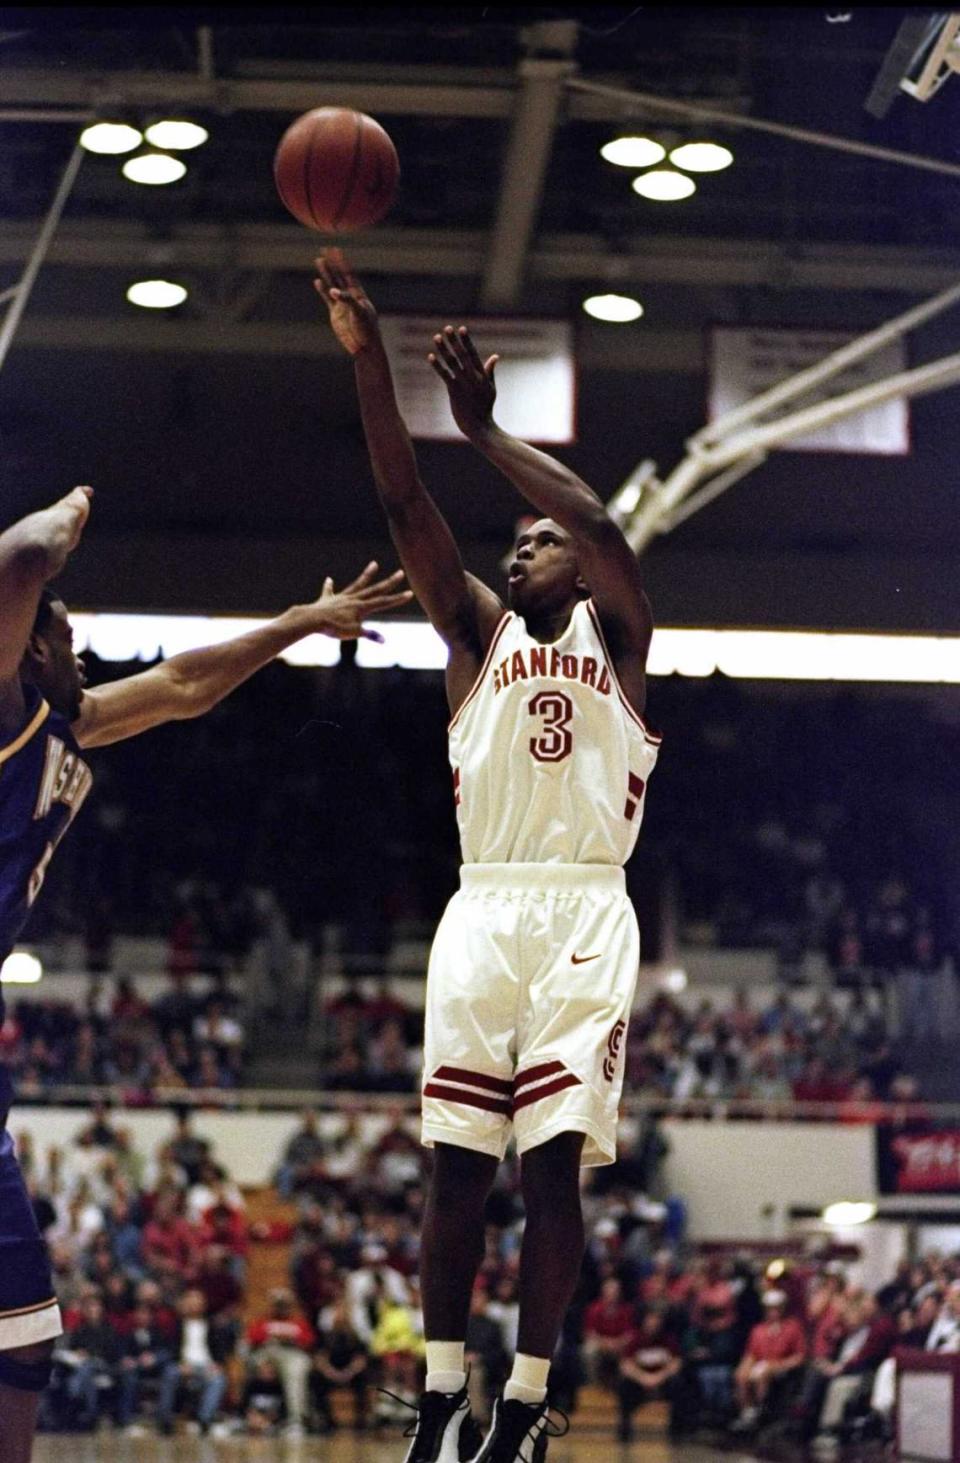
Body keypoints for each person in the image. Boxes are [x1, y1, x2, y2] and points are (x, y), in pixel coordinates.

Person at [315, 249, 659, 1463]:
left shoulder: (621, 637)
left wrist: (485, 431)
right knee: (453, 1173)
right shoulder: (473, 632)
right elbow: (408, 507)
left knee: (552, 1172)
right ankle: (444, 1391)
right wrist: (373, 371)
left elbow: (603, 519)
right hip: (484, 910)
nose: (522, 552)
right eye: (512, 543)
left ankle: (524, 1397)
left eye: (536, 542)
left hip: (582, 915)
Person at [0, 485, 410, 1461]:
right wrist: (57, 529)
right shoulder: (4, 706)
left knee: (24, 1339)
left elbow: (185, 683)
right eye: (64, 634)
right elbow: (14, 562)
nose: (81, 652)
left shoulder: (68, 722)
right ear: (25, 649)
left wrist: (300, 623)